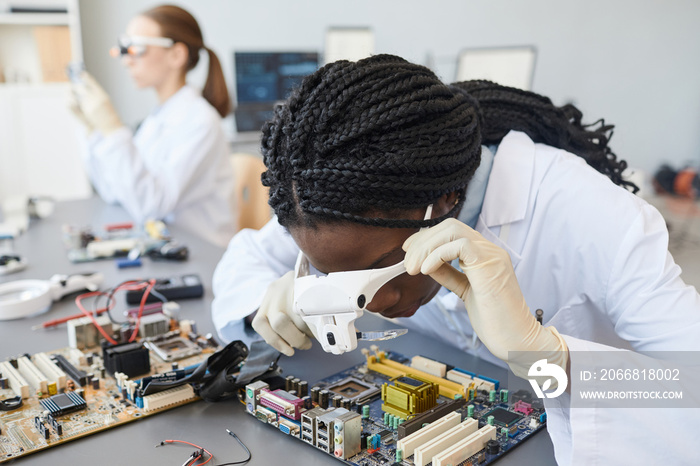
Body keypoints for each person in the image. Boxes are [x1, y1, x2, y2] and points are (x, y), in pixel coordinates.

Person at [211, 55, 700, 464]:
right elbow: (246, 258)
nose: (372, 303)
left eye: (381, 268)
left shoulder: (596, 220)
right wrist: (270, 305)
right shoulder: (330, 198)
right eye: (334, 276)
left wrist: (546, 354)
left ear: (444, 200)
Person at [70, 4, 235, 247]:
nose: (127, 61)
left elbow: (151, 205)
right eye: (123, 48)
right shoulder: (158, 118)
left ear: (176, 55)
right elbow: (115, 192)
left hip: (202, 253)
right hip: (167, 246)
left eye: (136, 48)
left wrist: (114, 130)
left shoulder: (201, 122)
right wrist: (94, 132)